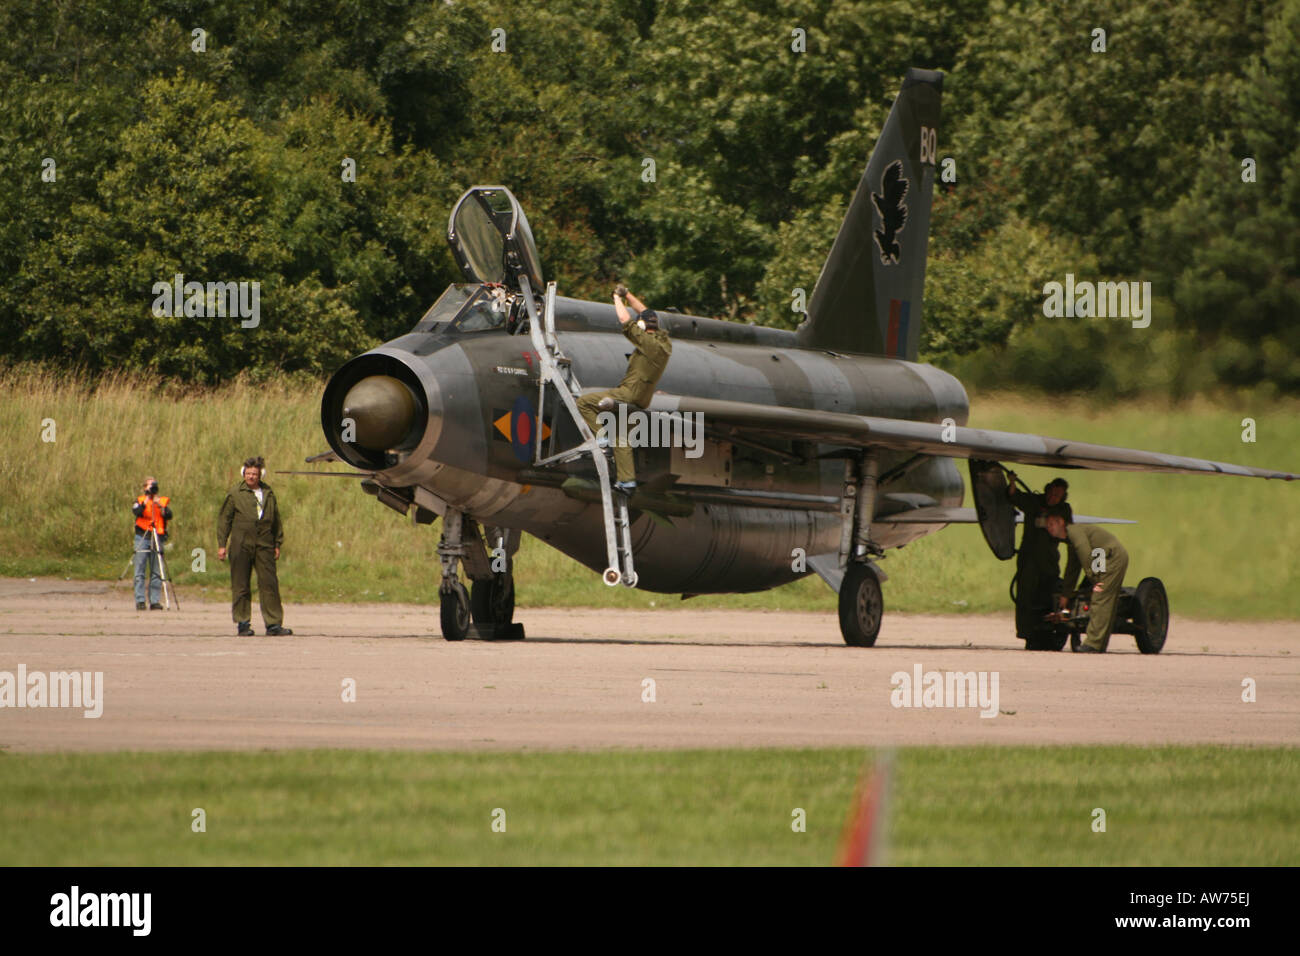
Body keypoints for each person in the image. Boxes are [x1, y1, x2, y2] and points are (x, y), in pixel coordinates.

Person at [576, 285, 673, 495]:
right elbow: (646, 314)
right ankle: (627, 482)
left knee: (583, 402)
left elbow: (625, 321)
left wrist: (616, 299)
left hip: (628, 393)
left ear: (642, 326)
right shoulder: (663, 342)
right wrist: (627, 294)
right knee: (622, 438)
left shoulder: (647, 343)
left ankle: (602, 440)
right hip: (642, 399)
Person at [217, 457, 292, 636]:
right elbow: (224, 520)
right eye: (249, 473)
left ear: (260, 475)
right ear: (244, 474)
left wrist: (277, 543)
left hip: (265, 544)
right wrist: (222, 544)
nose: (251, 477)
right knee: (241, 584)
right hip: (241, 545)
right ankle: (243, 623)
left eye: (255, 474)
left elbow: (276, 519)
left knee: (269, 584)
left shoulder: (268, 492)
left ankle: (273, 624)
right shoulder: (235, 492)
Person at [1005, 474, 1072, 646]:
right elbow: (1014, 496)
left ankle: (1051, 632)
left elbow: (1068, 534)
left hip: (1049, 561)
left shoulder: (1064, 510)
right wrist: (1011, 481)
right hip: (1028, 560)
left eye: (1057, 495)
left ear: (1062, 497)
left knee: (1050, 595)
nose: (1052, 498)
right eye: (1050, 493)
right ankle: (1029, 634)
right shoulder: (1034, 502)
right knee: (1026, 596)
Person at [1046, 513, 1128, 654]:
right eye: (1047, 526)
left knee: (1100, 598)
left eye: (1052, 524)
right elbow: (1072, 568)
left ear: (1061, 522)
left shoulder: (1074, 532)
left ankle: (1093, 644)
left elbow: (1086, 555)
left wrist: (1096, 581)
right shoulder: (1070, 539)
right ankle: (1099, 644)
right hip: (1104, 559)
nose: (1049, 528)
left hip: (1112, 558)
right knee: (1104, 601)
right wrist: (1066, 594)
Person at [131, 476, 172, 610]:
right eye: (149, 486)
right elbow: (137, 512)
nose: (152, 488)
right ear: (144, 488)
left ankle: (155, 601)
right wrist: (147, 500)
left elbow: (168, 515)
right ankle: (140, 600)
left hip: (157, 537)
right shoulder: (140, 500)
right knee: (140, 569)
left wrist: (159, 505)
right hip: (142, 536)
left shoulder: (161, 501)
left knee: (156, 570)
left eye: (154, 485)